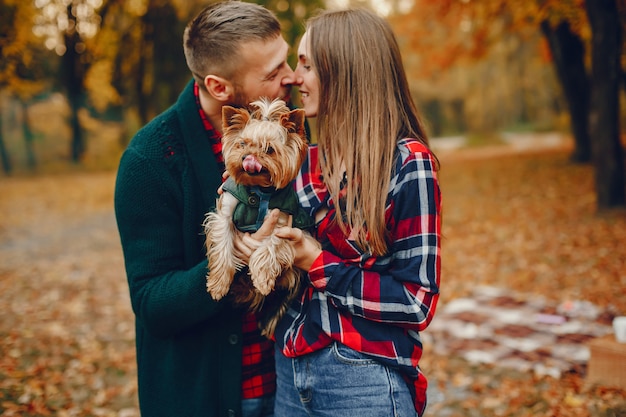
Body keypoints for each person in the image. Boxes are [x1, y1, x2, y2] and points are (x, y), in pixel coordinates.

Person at [113, 2, 297, 416]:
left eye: (286, 60)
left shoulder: (285, 132)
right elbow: (152, 303)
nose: (290, 77)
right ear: (219, 88)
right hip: (208, 399)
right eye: (272, 72)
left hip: (292, 388)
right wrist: (234, 259)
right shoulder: (151, 160)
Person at [270, 8, 442, 417]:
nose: (295, 77)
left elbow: (416, 301)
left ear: (344, 70)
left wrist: (316, 261)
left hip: (362, 375)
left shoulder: (407, 164)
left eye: (307, 65)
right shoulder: (306, 161)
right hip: (291, 366)